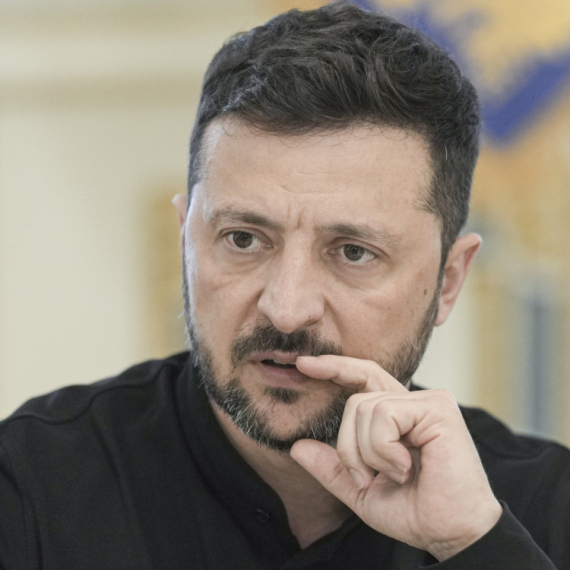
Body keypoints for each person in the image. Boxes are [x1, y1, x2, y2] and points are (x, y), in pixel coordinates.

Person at [1, 2, 569, 568]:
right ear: (184, 241)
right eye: (244, 239)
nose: (287, 309)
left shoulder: (548, 511)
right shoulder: (29, 489)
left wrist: (475, 545)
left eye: (353, 252)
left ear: (448, 281)